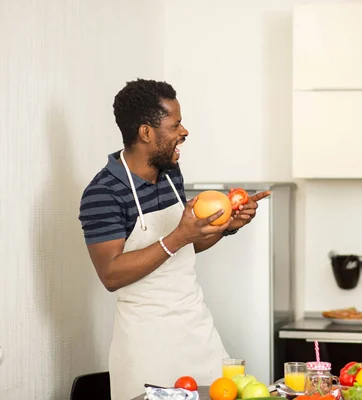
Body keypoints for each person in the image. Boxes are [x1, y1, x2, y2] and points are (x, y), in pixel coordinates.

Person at [78, 78, 270, 400]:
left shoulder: (170, 172)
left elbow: (186, 246)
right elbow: (111, 275)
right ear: (146, 133)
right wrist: (179, 236)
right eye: (176, 124)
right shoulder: (102, 193)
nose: (185, 131)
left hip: (196, 327)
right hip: (145, 341)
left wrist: (227, 226)